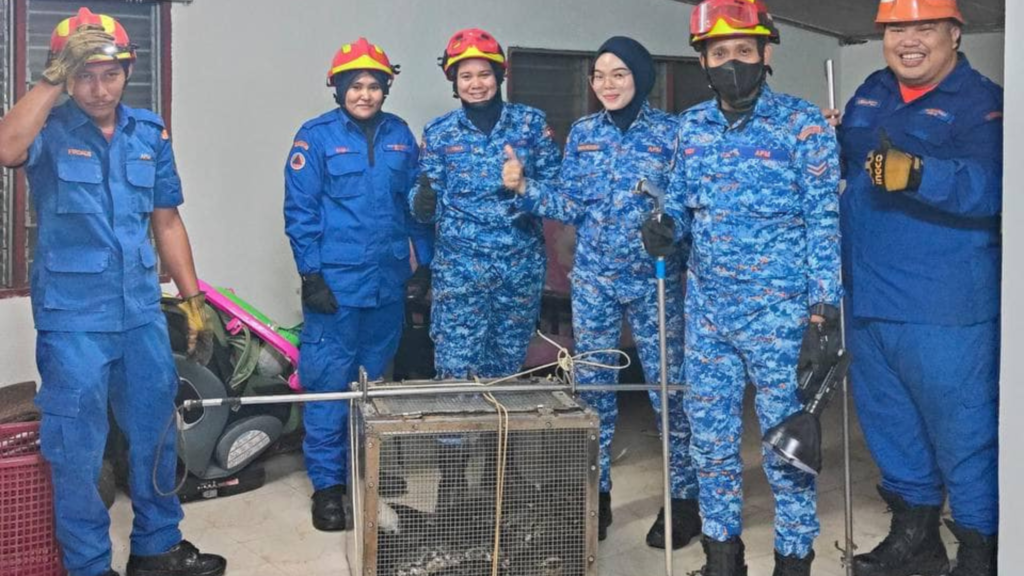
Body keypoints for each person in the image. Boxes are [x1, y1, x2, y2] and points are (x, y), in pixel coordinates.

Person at [0, 8, 224, 576]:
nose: (98, 89)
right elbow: (6, 148)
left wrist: (193, 301)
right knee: (76, 450)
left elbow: (167, 220)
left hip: (140, 313)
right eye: (84, 75)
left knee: (155, 433)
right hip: (73, 320)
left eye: (109, 74)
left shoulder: (147, 132)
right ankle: (89, 566)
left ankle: (156, 547)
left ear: (127, 72)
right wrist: (51, 79)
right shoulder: (48, 129)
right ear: (66, 75)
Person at [641, 1, 842, 574]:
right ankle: (723, 557)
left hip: (782, 319)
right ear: (704, 61)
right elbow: (678, 209)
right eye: (720, 53)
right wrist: (664, 230)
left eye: (745, 52)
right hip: (708, 317)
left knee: (788, 453)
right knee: (712, 448)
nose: (733, 63)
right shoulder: (691, 128)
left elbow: (825, 224)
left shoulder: (802, 126)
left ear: (765, 54)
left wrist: (823, 314)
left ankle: (793, 560)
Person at [823, 1, 1002, 574]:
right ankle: (915, 536)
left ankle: (979, 548)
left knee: (964, 431)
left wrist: (922, 173)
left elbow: (997, 188)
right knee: (889, 424)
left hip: (942, 304)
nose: (910, 40)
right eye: (898, 27)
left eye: (925, 27)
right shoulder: (873, 90)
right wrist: (824, 141)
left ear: (954, 32)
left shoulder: (982, 103)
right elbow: (851, 164)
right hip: (868, 297)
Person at [501, 36, 700, 548]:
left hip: (655, 282)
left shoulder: (672, 134)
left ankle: (683, 499)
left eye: (619, 74)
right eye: (599, 75)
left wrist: (672, 231)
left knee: (668, 392)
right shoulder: (584, 134)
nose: (607, 84)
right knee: (592, 393)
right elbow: (570, 203)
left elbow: (687, 207)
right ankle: (597, 496)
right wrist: (525, 189)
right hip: (593, 283)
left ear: (641, 78)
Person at [284, 37, 433, 532]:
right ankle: (329, 487)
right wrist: (310, 275)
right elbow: (300, 212)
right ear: (339, 89)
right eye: (356, 86)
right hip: (336, 284)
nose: (365, 94)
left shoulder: (400, 135)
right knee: (328, 384)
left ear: (385, 89)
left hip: (387, 284)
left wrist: (424, 266)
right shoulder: (316, 137)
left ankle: (363, 468)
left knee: (374, 385)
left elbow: (416, 207)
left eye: (374, 86)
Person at [409, 28, 561, 381]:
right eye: (465, 76)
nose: (475, 84)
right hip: (460, 271)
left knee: (506, 366)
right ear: (454, 81)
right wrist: (424, 198)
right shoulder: (439, 132)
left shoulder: (531, 124)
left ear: (499, 75)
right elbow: (421, 210)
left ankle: (498, 437)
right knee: (455, 367)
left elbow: (558, 196)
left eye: (484, 74)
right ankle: (454, 439)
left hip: (518, 269)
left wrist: (526, 185)